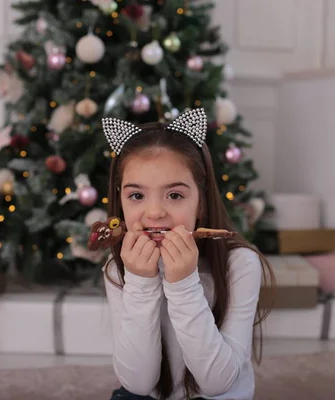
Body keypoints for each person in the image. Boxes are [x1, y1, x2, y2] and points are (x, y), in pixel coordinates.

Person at [100, 108, 276, 400]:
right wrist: (140, 283)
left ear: (201, 204)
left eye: (175, 195)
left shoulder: (240, 264)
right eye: (136, 196)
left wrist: (182, 284)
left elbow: (218, 383)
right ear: (121, 201)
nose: (154, 212)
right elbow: (138, 384)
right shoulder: (117, 267)